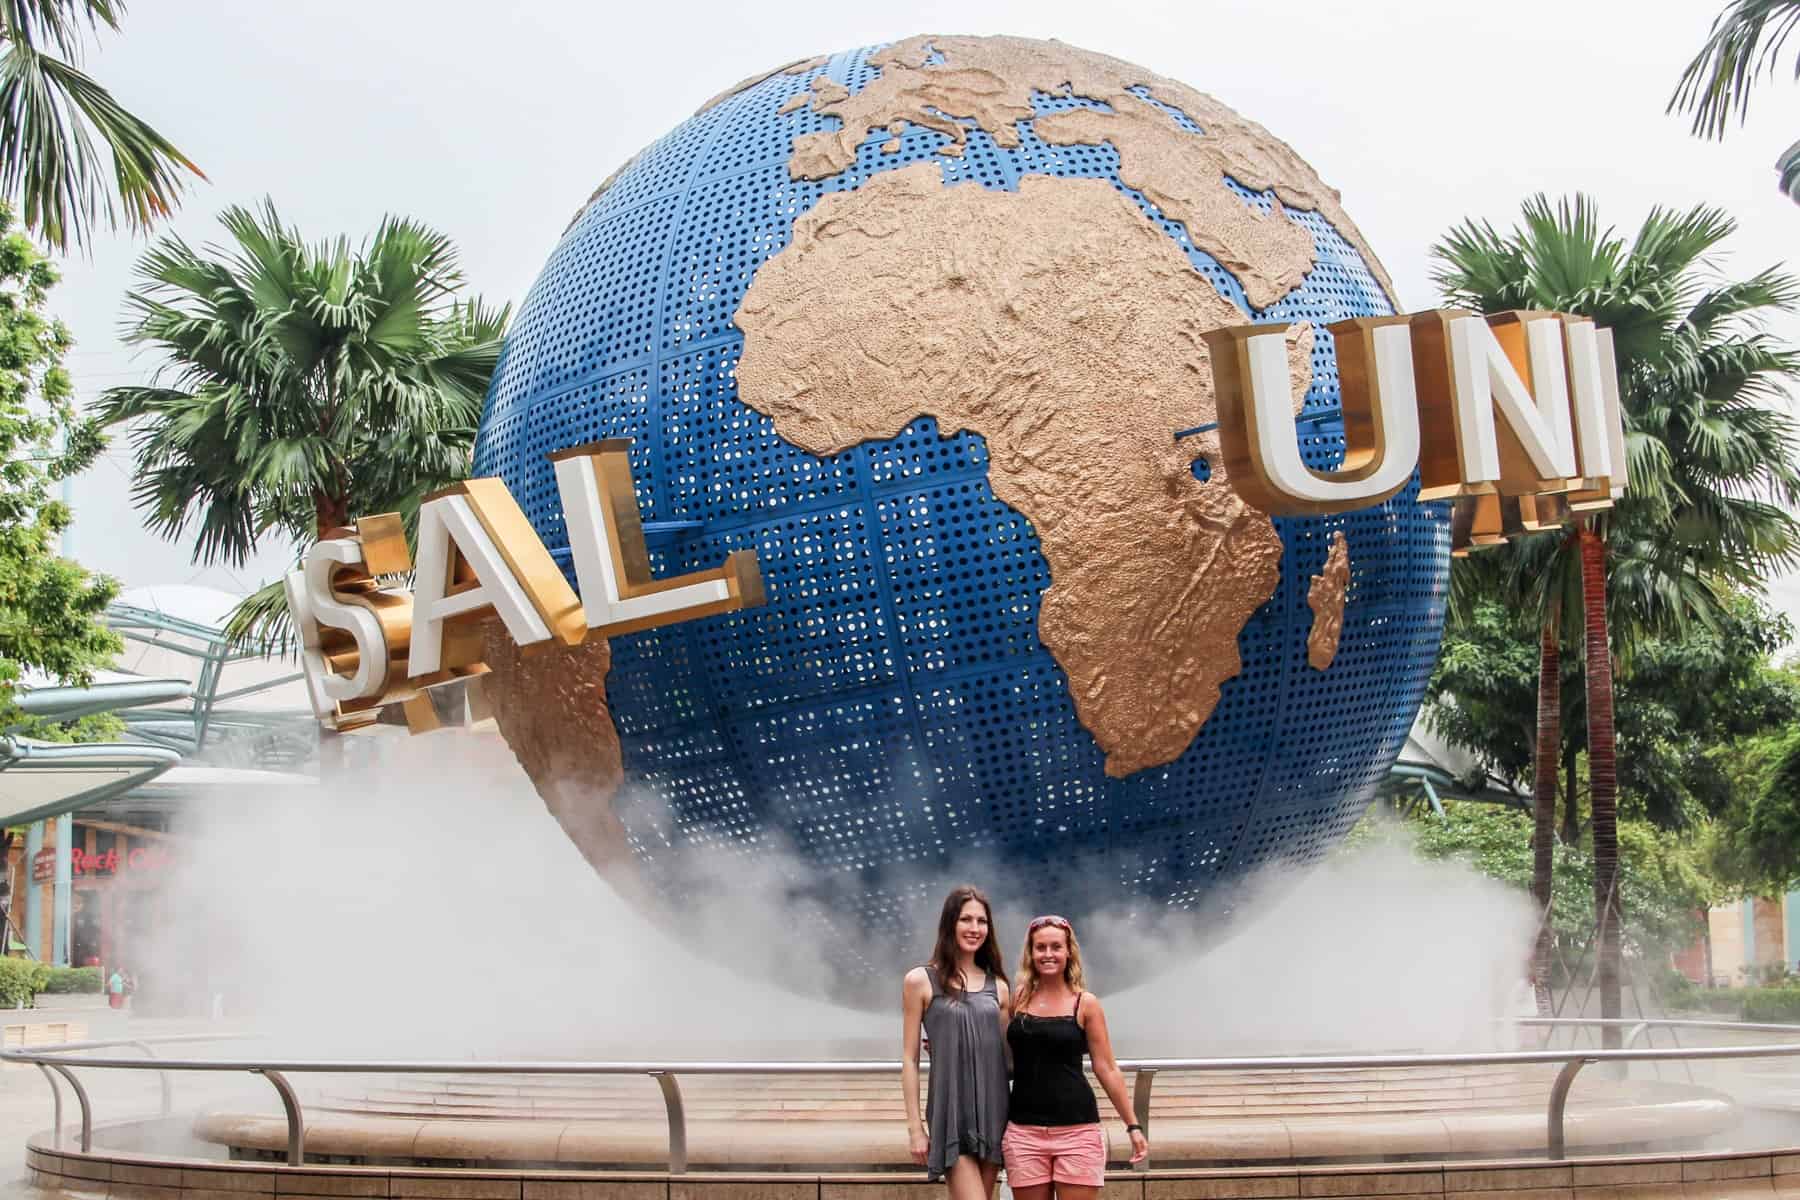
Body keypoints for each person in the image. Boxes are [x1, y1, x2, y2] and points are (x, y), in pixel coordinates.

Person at [1002, 915, 1147, 1198]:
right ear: (1030, 953)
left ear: (1069, 952)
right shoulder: (1017, 998)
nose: (1048, 954)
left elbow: (1106, 1067)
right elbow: (995, 1048)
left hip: (1077, 1132)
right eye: (1040, 947)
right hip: (1024, 1132)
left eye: (1056, 947)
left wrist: (1133, 1125)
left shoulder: (1086, 1003)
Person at [901, 885, 1011, 1199]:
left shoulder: (999, 987)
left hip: (994, 1112)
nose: (975, 928)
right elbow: (909, 1059)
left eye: (982, 921)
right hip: (950, 1113)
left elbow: (1008, 1057)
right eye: (966, 919)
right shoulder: (920, 981)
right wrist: (915, 1128)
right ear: (950, 923)